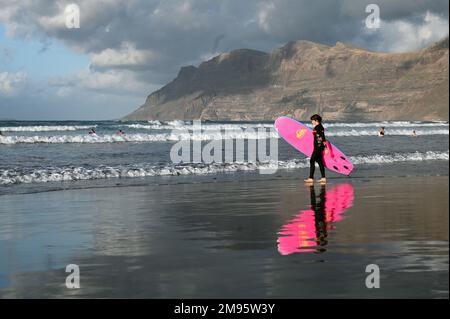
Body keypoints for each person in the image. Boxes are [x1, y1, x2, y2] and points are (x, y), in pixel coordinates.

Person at [304, 114, 328, 184]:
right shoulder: (319, 127)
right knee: (320, 162)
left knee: (312, 160)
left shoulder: (318, 127)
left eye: (312, 120)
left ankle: (311, 178)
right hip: (318, 147)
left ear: (316, 120)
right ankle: (323, 178)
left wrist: (326, 148)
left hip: (318, 147)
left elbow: (323, 138)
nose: (311, 122)